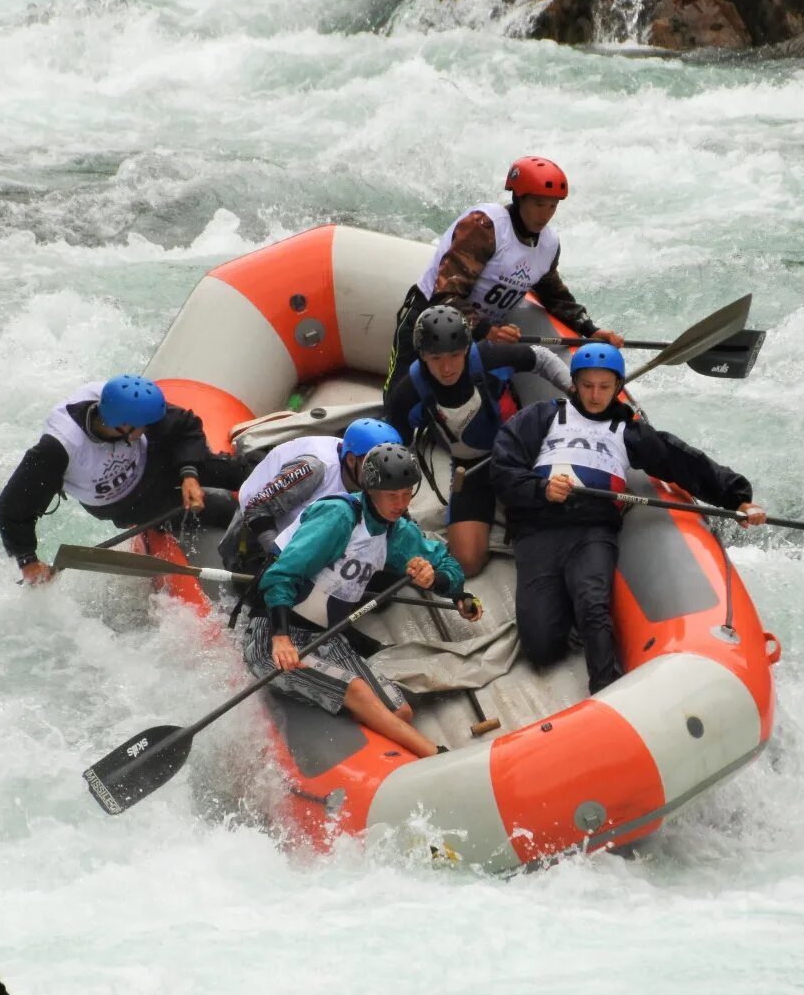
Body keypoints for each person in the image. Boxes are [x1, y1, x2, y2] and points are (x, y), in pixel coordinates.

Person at [490, 343, 765, 694]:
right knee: (541, 648)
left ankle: (604, 685)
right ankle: (563, 614)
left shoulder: (627, 430)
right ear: (574, 382)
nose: (595, 395)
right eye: (587, 385)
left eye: (605, 387)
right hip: (537, 528)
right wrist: (540, 488)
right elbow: (503, 468)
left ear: (617, 387)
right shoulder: (543, 416)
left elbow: (681, 461)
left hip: (592, 530)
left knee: (593, 603)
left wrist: (737, 497)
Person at [249, 442, 483, 758]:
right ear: (371, 489)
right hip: (276, 636)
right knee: (357, 691)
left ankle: (380, 753)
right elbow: (280, 575)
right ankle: (437, 755)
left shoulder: (397, 532)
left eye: (406, 493)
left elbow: (447, 564)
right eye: (392, 495)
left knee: (400, 712)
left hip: (326, 638)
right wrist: (280, 638)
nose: (401, 503)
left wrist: (439, 582)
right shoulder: (339, 517)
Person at [384, 155, 623, 394]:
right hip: (428, 321)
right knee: (402, 396)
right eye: (539, 204)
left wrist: (589, 328)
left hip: (476, 336)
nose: (546, 214)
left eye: (553, 205)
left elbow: (554, 294)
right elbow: (447, 293)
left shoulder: (548, 243)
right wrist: (486, 330)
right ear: (519, 199)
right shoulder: (485, 226)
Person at [0, 374, 250, 584]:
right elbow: (13, 507)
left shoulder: (122, 406)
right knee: (222, 509)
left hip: (150, 461)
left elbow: (184, 426)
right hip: (124, 502)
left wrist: (189, 474)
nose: (147, 429)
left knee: (233, 472)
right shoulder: (57, 448)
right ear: (120, 424)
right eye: (141, 427)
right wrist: (27, 561)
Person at [386, 303, 573, 576]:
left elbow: (541, 358)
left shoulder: (488, 357)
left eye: (454, 355)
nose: (447, 367)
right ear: (423, 356)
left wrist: (573, 388)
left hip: (521, 454)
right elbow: (398, 448)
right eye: (435, 358)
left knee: (560, 520)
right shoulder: (408, 394)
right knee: (467, 563)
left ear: (466, 349)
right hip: (470, 468)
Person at [217, 416, 402, 576]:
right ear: (352, 459)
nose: (383, 475)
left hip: (307, 538)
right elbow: (256, 508)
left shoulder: (374, 477)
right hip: (254, 532)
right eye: (374, 465)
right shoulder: (313, 468)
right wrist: (279, 559)